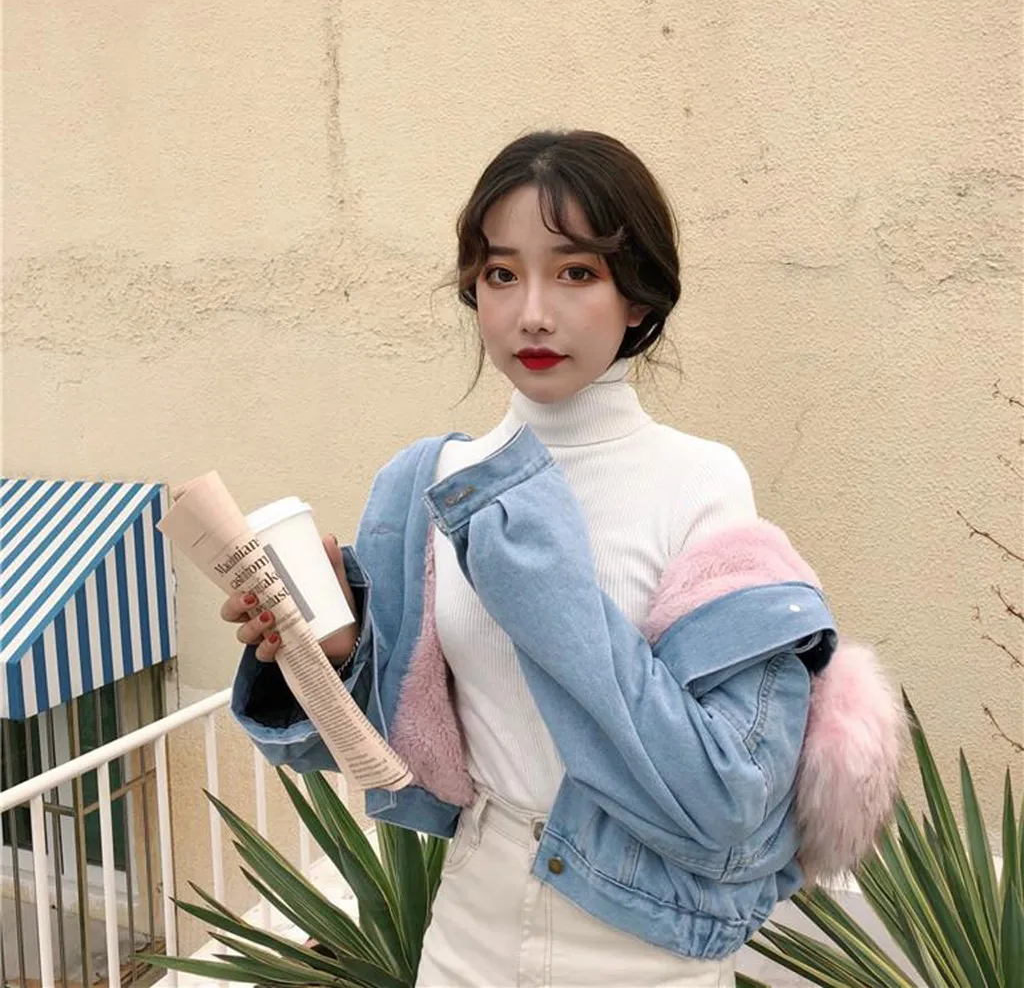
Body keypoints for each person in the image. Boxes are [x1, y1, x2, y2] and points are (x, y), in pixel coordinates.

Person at [222, 130, 902, 987]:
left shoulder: (698, 481)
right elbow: (401, 747)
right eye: (502, 274)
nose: (533, 313)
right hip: (469, 928)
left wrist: (535, 574)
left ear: (638, 299)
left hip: (644, 943)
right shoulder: (435, 485)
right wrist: (337, 653)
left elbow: (726, 795)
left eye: (576, 272)